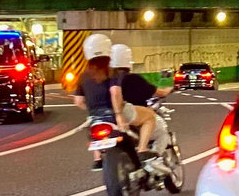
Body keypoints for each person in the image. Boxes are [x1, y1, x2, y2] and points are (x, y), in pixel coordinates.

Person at [72, 34, 126, 169]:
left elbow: (78, 101)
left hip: (95, 116)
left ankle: (97, 158)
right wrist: (118, 114)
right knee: (137, 123)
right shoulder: (111, 71)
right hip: (112, 113)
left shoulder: (83, 76)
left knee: (93, 128)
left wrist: (91, 109)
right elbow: (115, 92)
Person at [111, 43, 170, 156]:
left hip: (111, 119)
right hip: (133, 117)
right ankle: (152, 158)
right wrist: (169, 89)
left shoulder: (106, 80)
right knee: (161, 131)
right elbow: (159, 92)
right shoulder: (134, 79)